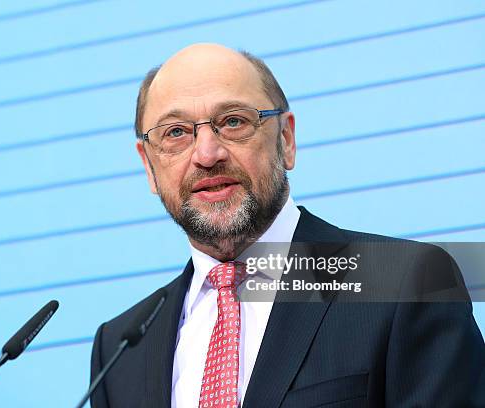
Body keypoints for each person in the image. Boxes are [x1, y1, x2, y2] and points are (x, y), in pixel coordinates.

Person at [89, 43, 484, 407]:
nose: (207, 155)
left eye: (233, 121)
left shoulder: (404, 284)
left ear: (287, 139)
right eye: (175, 132)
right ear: (149, 166)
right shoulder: (119, 349)